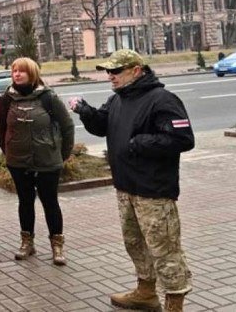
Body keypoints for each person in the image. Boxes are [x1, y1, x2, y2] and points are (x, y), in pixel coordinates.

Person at [69, 49, 194, 312]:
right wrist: (85, 111)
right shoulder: (118, 99)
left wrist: (141, 142)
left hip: (154, 191)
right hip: (126, 187)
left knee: (164, 249)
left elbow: (183, 139)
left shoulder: (162, 99)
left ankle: (174, 303)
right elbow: (101, 125)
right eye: (108, 71)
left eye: (116, 71)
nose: (110, 76)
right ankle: (146, 293)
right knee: (135, 243)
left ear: (136, 71)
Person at [0, 57, 74, 266]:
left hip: (47, 160)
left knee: (50, 202)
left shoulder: (48, 97)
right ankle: (27, 242)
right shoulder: (6, 99)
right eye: (14, 71)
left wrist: (62, 154)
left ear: (32, 73)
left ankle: (57, 245)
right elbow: (0, 127)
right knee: (25, 201)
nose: (17, 74)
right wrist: (8, 150)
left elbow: (67, 126)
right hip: (18, 161)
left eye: (21, 71)